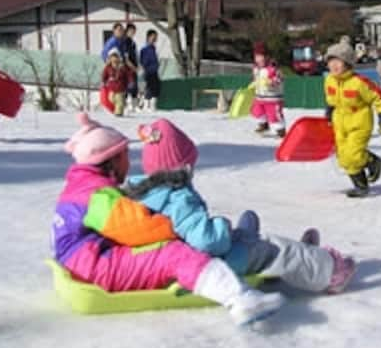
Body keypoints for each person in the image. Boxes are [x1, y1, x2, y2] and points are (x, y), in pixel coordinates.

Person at [53, 113, 284, 325]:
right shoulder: (96, 195)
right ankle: (239, 299)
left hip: (84, 260)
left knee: (168, 251)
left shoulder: (82, 186)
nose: (129, 161)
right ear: (110, 159)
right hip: (95, 267)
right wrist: (175, 230)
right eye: (125, 155)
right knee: (174, 254)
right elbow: (137, 227)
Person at [122, 119, 357, 293]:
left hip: (174, 259)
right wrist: (221, 227)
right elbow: (207, 242)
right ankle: (328, 270)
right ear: (181, 168)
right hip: (206, 265)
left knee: (249, 235)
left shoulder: (142, 193)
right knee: (272, 248)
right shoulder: (177, 198)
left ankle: (297, 257)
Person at [324, 38, 381, 198]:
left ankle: (371, 162)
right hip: (339, 122)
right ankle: (361, 185)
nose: (333, 65)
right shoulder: (329, 80)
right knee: (343, 157)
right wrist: (328, 112)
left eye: (338, 61)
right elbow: (330, 99)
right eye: (330, 60)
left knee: (353, 155)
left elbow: (379, 97)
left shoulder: (359, 82)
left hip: (359, 122)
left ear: (347, 63)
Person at [249, 42, 286, 138]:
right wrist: (253, 83)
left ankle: (280, 130)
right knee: (256, 111)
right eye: (257, 57)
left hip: (272, 98)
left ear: (267, 57)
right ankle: (263, 125)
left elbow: (280, 78)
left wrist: (272, 82)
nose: (260, 59)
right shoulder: (256, 68)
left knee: (274, 114)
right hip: (259, 97)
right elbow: (255, 79)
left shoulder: (273, 68)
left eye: (262, 56)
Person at [102, 49, 132, 117]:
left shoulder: (123, 67)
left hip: (121, 88)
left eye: (116, 57)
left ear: (119, 58)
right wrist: (103, 81)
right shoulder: (108, 67)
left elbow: (129, 74)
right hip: (112, 88)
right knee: (111, 99)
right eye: (112, 58)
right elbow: (104, 75)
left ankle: (118, 113)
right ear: (110, 59)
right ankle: (122, 103)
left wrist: (131, 82)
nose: (114, 60)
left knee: (119, 101)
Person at [140, 29, 161, 113]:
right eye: (153, 37)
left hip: (154, 70)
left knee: (156, 87)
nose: (155, 39)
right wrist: (145, 68)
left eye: (156, 37)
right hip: (148, 71)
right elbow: (143, 61)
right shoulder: (145, 49)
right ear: (148, 37)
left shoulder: (153, 48)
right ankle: (146, 105)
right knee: (149, 88)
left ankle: (153, 105)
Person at [123, 23, 140, 112]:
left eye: (134, 31)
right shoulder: (125, 42)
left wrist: (138, 65)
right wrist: (133, 67)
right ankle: (125, 105)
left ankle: (134, 105)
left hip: (133, 67)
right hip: (127, 68)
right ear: (127, 31)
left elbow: (135, 55)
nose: (133, 33)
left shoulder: (132, 42)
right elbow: (126, 58)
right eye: (131, 31)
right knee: (128, 86)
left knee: (134, 87)